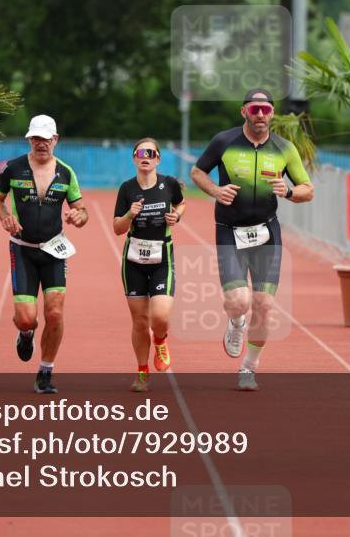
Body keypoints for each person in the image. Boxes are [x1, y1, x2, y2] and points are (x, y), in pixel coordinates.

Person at [190, 89, 314, 390]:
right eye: (255, 109)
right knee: (238, 301)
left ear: (272, 114)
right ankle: (235, 323)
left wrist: (286, 191)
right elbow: (197, 172)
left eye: (267, 110)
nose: (261, 115)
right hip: (229, 231)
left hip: (266, 233)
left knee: (264, 303)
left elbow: (307, 189)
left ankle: (250, 367)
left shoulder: (284, 148)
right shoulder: (224, 141)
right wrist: (216, 192)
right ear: (243, 111)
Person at [0, 114, 88, 394]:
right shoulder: (13, 168)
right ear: (29, 140)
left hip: (54, 251)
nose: (41, 143)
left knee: (55, 314)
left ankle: (45, 372)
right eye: (36, 138)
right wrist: (5, 217)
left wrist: (79, 216)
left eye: (46, 138)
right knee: (25, 317)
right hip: (23, 250)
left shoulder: (66, 173)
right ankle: (26, 333)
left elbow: (82, 209)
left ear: (55, 140)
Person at [113, 138, 186, 392]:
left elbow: (180, 203)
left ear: (158, 159)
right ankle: (142, 372)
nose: (146, 156)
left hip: (161, 257)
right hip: (133, 260)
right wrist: (129, 215)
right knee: (140, 320)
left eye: (151, 152)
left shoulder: (169, 184)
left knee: (160, 316)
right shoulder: (126, 189)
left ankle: (161, 340)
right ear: (134, 157)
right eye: (141, 152)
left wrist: (177, 215)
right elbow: (117, 229)